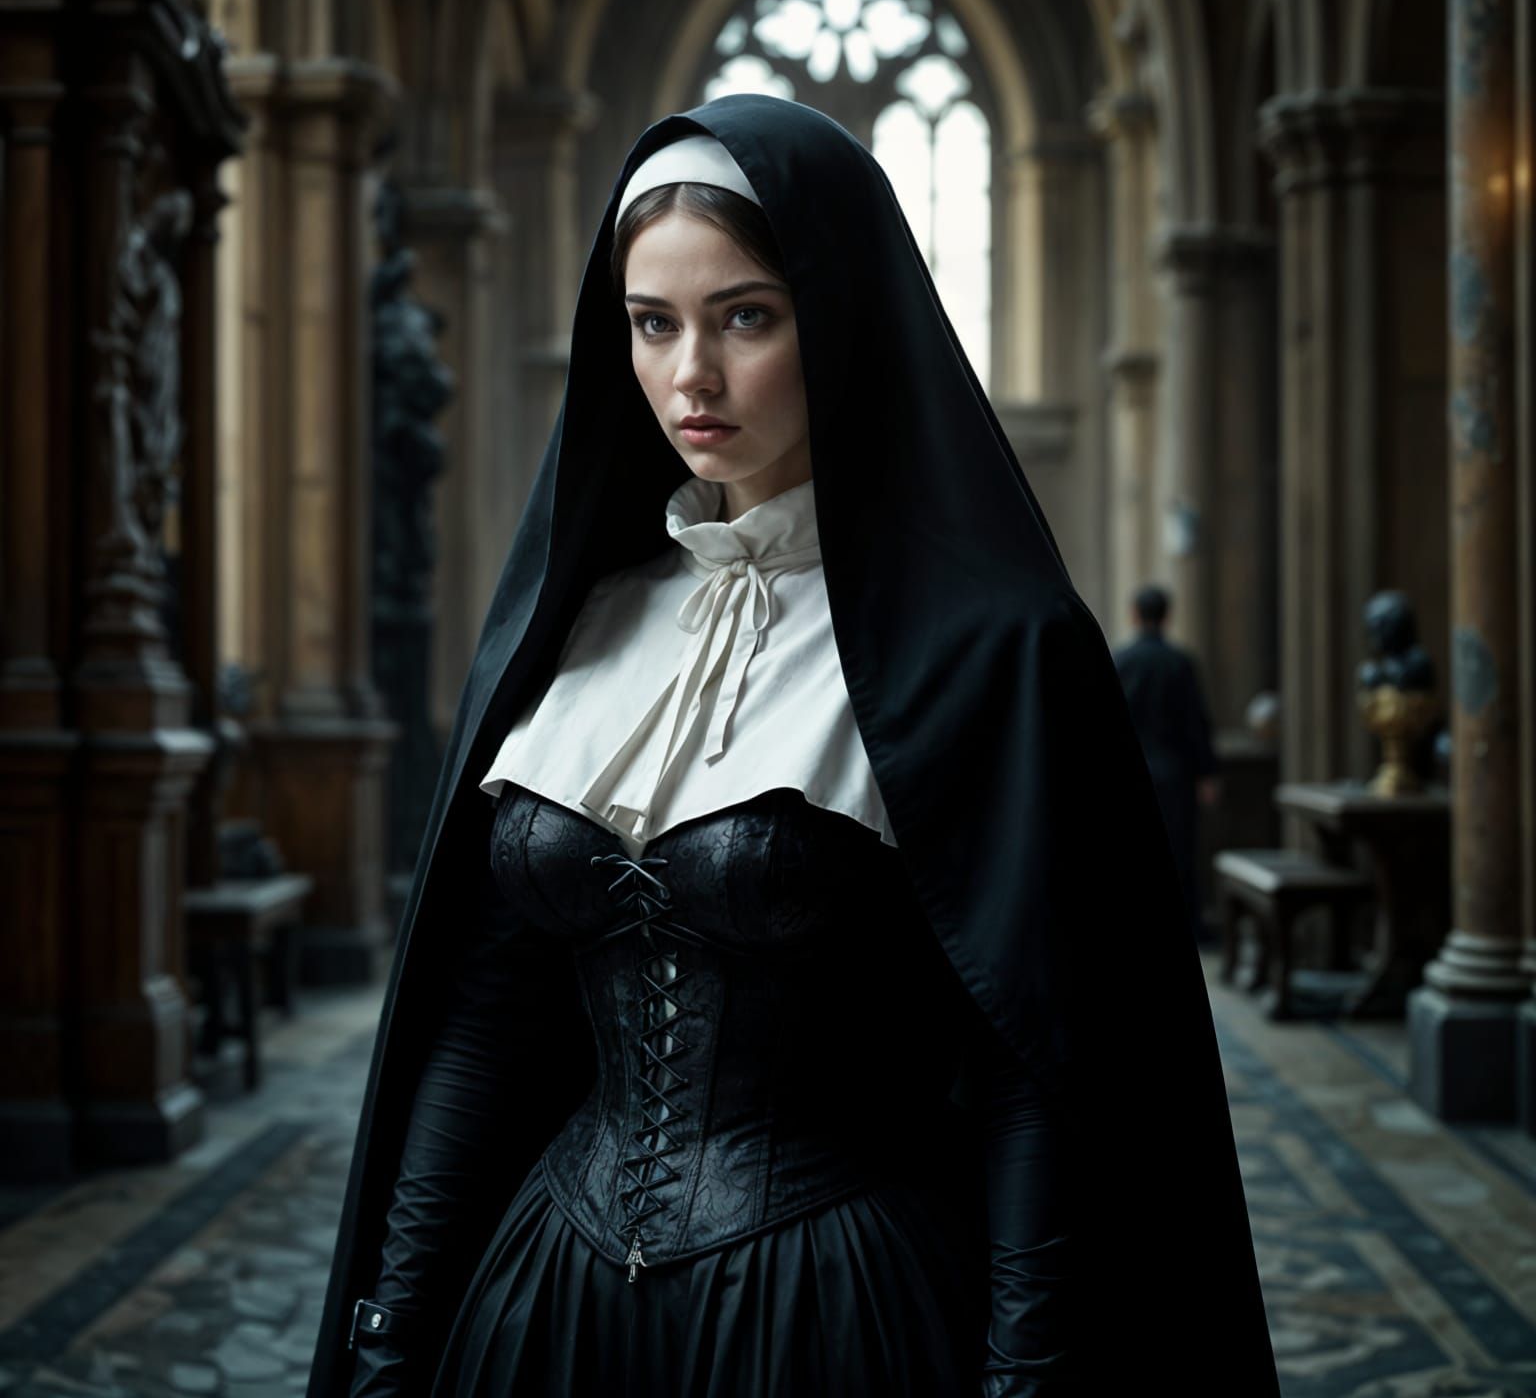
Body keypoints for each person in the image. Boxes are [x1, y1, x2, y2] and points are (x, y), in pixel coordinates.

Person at [307, 95, 1279, 1397]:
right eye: (654, 324)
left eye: (746, 317)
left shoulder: (995, 647)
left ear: (840, 315)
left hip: (831, 1319)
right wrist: (388, 1339)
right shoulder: (579, 623)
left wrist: (1026, 1380)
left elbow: (1030, 1070)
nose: (691, 376)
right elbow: (482, 1027)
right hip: (545, 1312)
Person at [1112, 584, 1221, 940]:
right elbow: (1196, 722)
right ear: (1167, 616)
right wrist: (1207, 773)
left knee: (1134, 850)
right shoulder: (1179, 662)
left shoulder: (1121, 660)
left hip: (1132, 772)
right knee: (1180, 851)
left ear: (1134, 614)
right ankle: (1185, 929)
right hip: (1176, 773)